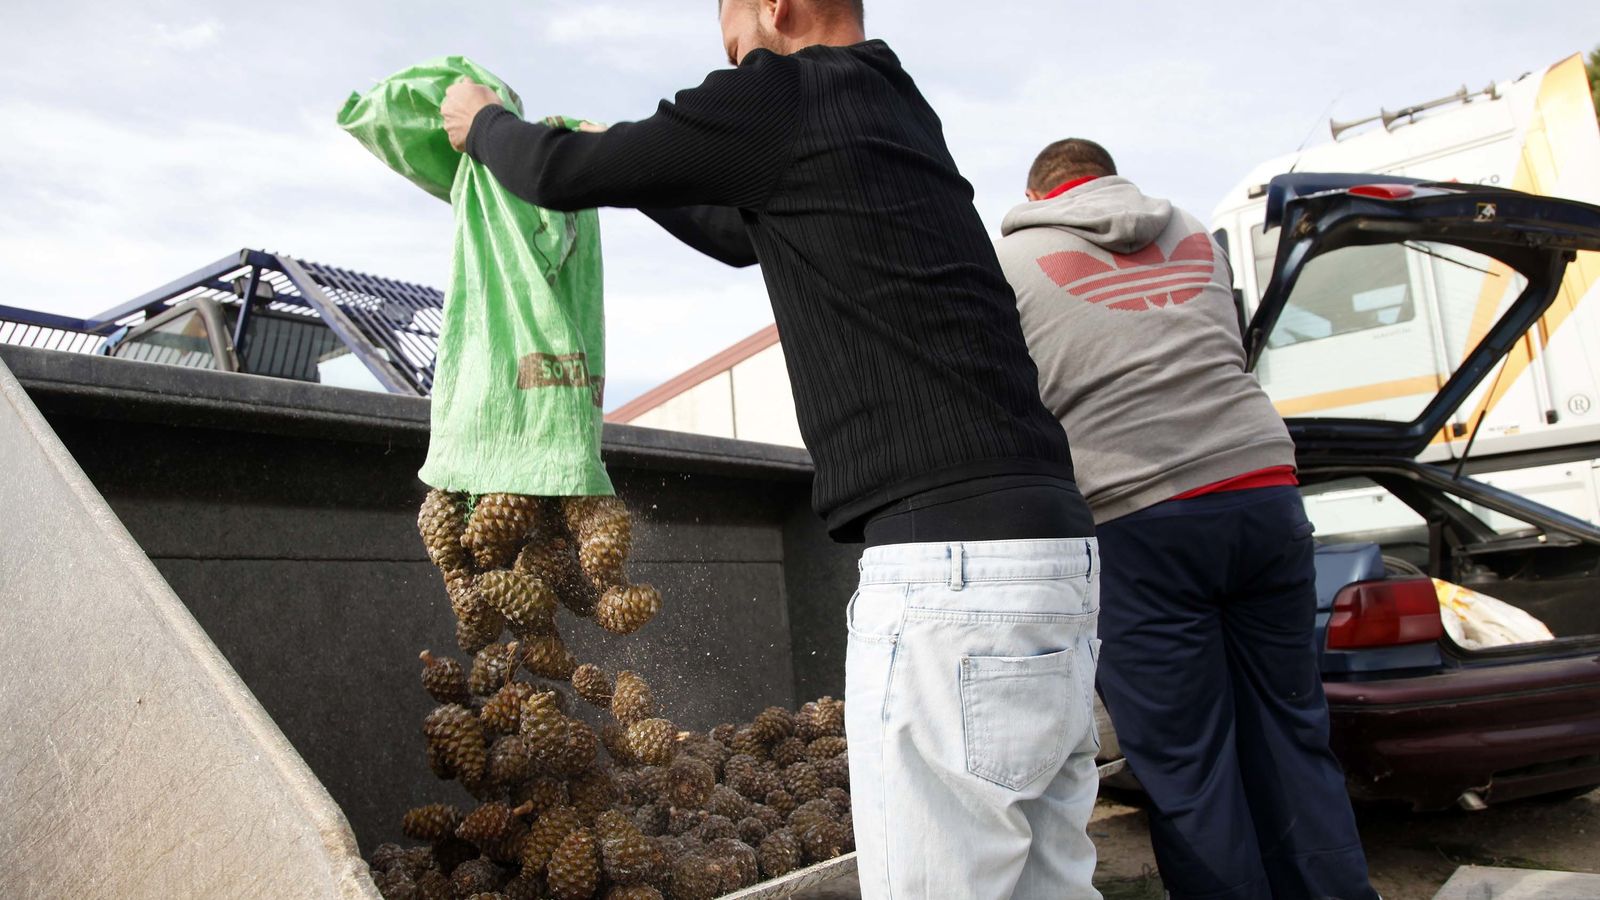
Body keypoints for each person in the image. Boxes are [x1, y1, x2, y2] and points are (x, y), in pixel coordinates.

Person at [441, 3, 1103, 897]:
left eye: (726, 15)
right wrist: (637, 166)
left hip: (951, 577)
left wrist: (480, 123)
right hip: (1054, 557)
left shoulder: (780, 91)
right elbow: (737, 233)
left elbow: (557, 172)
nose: (724, 44)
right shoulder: (894, 101)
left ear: (775, 6)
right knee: (1048, 885)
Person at [995, 138, 1378, 900]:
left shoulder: (1012, 263)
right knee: (1292, 735)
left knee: (1190, 765)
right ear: (1110, 179)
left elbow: (1011, 403)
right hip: (1263, 491)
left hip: (1142, 517)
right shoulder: (1195, 231)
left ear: (1040, 198)